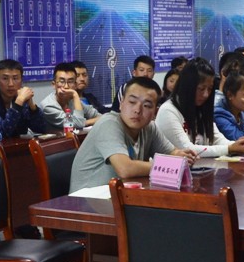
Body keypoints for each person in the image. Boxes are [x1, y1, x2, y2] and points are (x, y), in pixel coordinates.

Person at [70, 77, 198, 192]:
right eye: (132, 102)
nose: (137, 110)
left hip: (120, 197)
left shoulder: (149, 128)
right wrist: (170, 165)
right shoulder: (108, 123)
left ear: (155, 112)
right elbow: (125, 169)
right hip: (86, 202)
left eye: (146, 105)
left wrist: (182, 156)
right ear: (121, 104)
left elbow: (172, 153)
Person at [156, 58, 244, 158]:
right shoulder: (168, 111)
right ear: (188, 86)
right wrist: (229, 148)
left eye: (209, 89)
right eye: (201, 89)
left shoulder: (200, 108)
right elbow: (187, 149)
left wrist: (238, 144)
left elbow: (217, 139)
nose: (206, 94)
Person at [0, 59, 49, 139]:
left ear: (21, 80)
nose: (11, 84)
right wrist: (19, 102)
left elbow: (42, 129)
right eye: (5, 78)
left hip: (20, 145)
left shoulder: (21, 97)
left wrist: (32, 107)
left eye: (15, 78)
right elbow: (2, 133)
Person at [41, 62, 100, 130]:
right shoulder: (48, 106)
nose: (66, 86)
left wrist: (85, 122)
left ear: (75, 85)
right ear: (54, 85)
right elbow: (78, 124)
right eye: (62, 81)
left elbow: (100, 116)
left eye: (70, 82)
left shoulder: (71, 100)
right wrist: (75, 94)